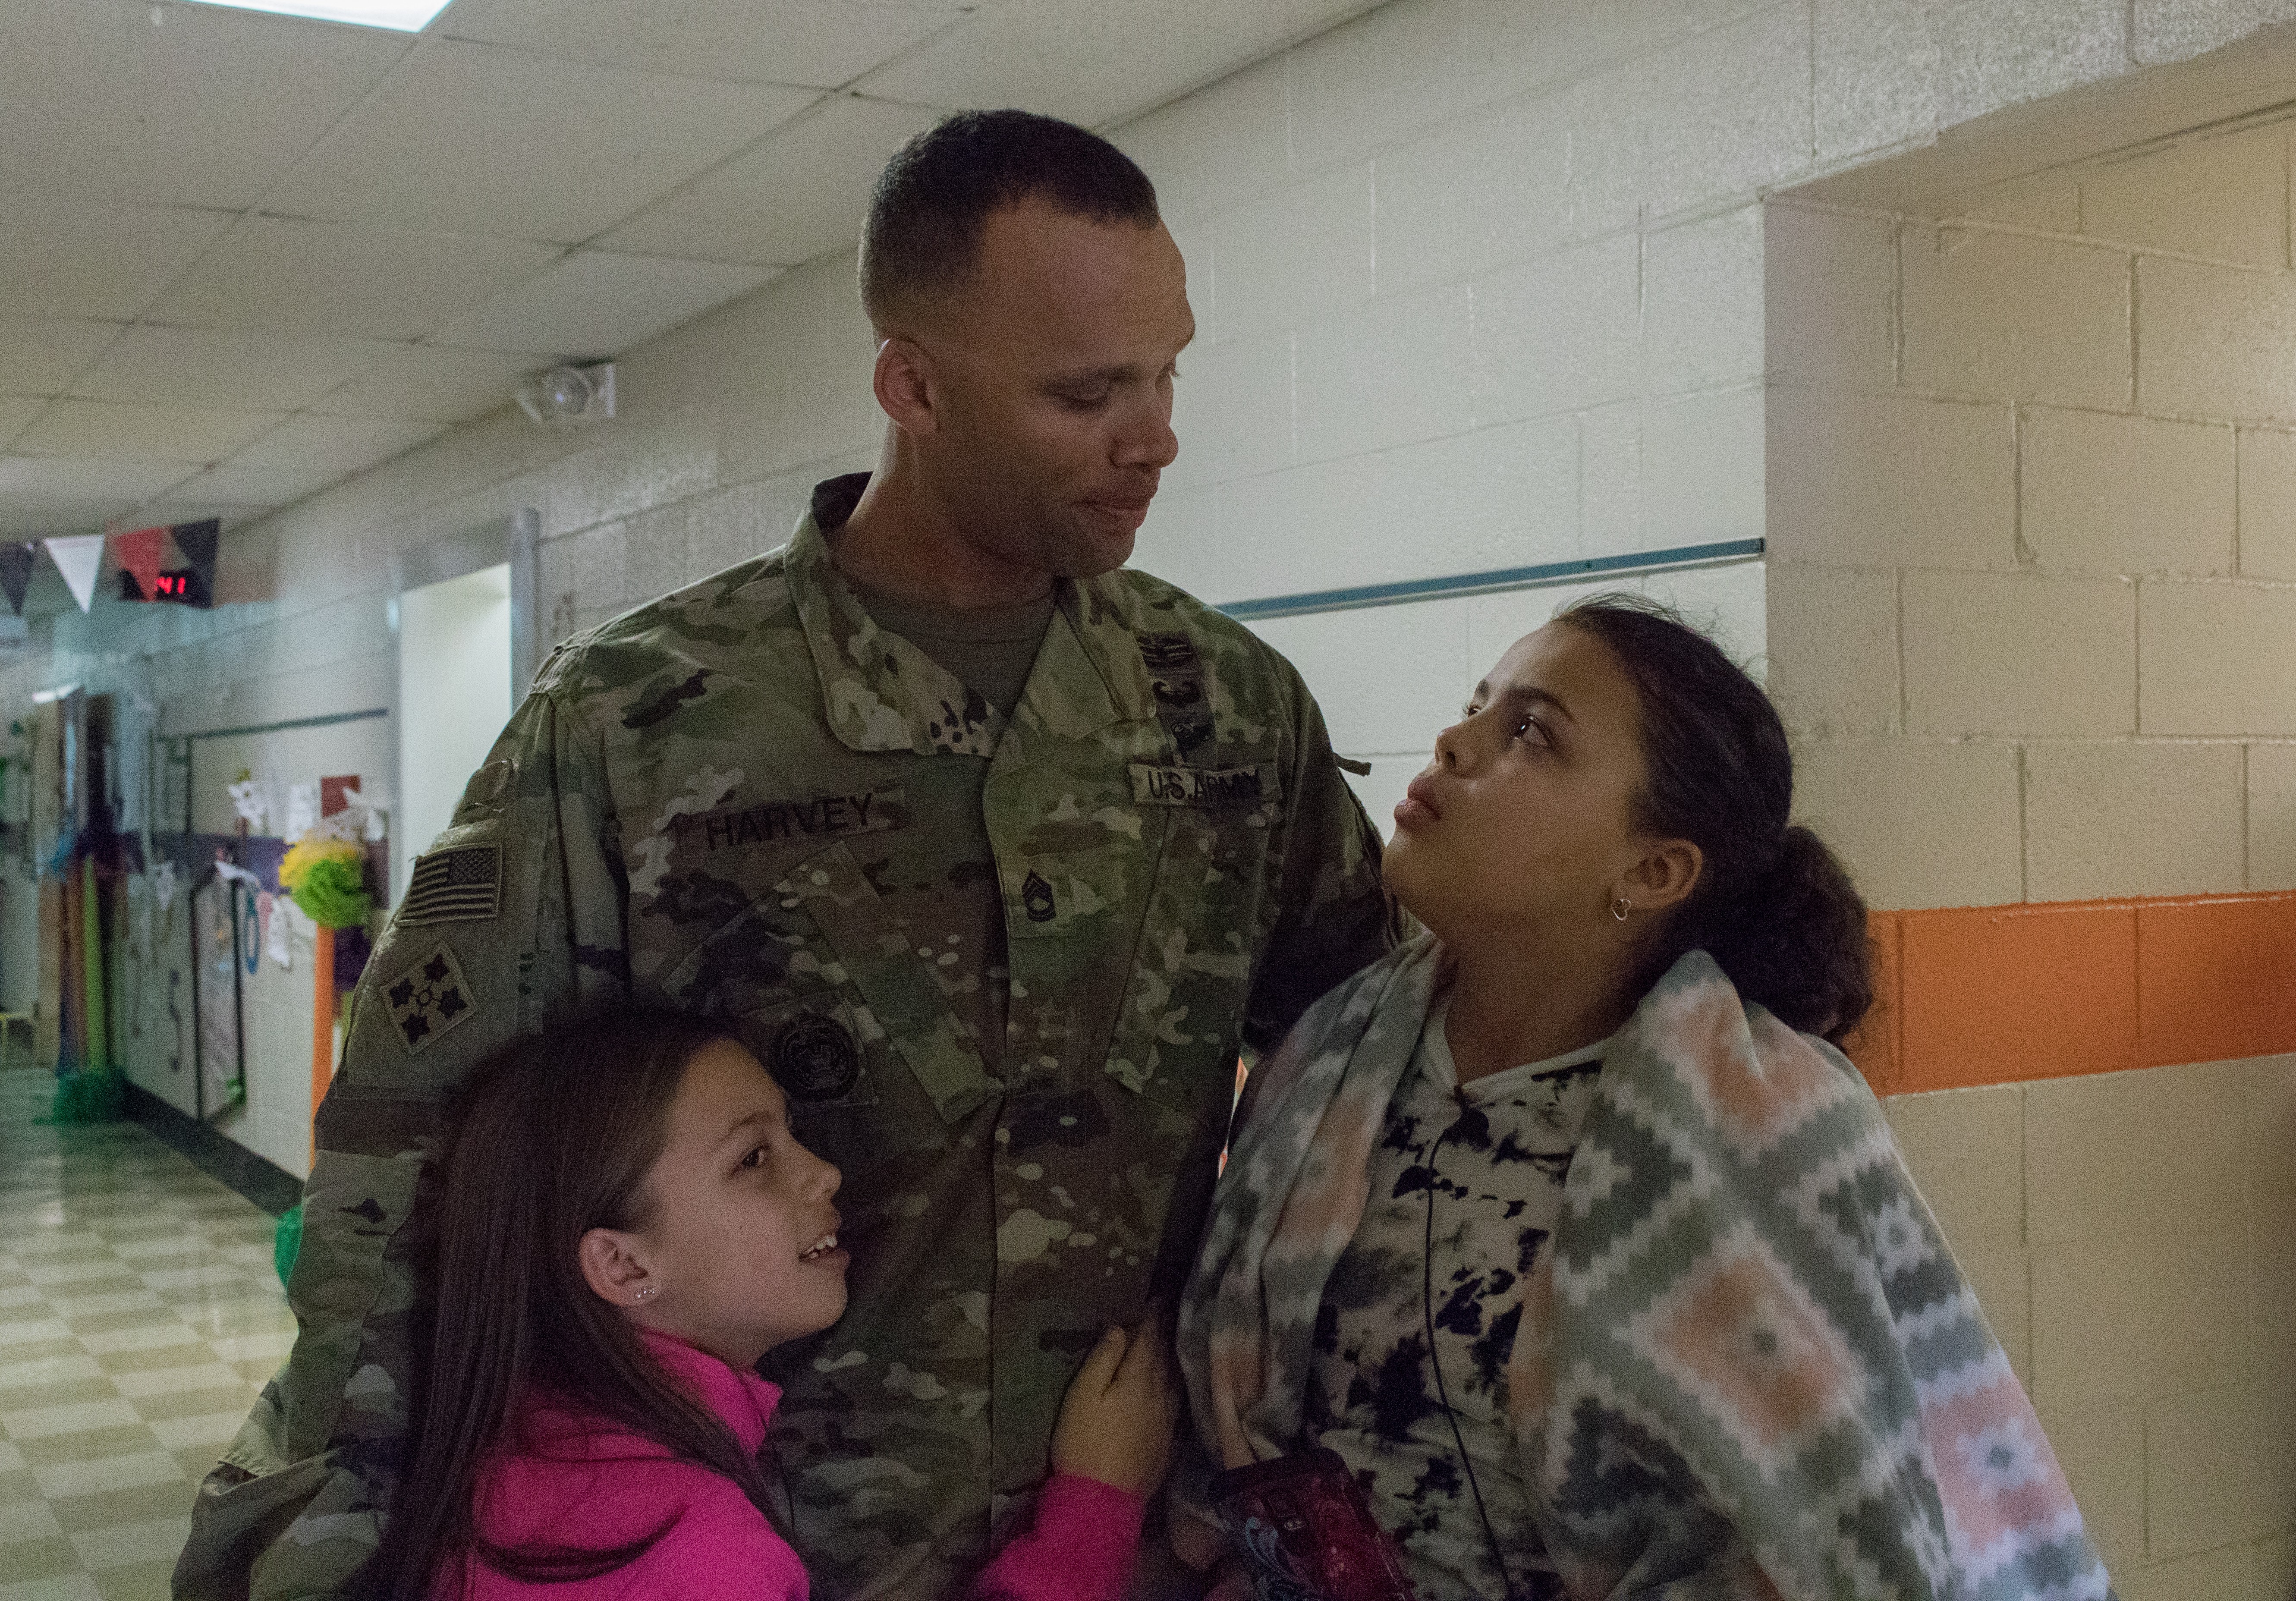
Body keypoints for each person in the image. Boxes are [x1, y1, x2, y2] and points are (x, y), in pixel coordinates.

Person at [175, 110, 1395, 1601]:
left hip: (1130, 1528)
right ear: (914, 384)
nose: (1154, 438)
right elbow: (416, 1161)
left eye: (1165, 373)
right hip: (761, 1541)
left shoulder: (1224, 709)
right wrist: (324, 1538)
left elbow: (1369, 1059)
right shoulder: (645, 721)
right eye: (1086, 393)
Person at [1178, 598, 2112, 1600]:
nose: (1455, 742)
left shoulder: (1763, 1125)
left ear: (1654, 870)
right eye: (1478, 707)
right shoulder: (1335, 1054)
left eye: (1530, 734)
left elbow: (1825, 1550)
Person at [364, 1012, 1173, 1601]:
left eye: (792, 1137)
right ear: (623, 1262)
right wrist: (1095, 1510)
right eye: (753, 1158)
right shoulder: (703, 1554)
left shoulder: (531, 1459)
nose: (823, 1173)